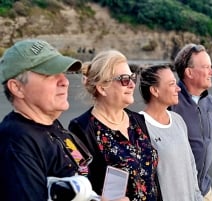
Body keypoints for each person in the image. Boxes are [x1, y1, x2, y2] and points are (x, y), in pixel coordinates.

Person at [0, 39, 128, 201]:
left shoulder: (54, 127)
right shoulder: (16, 143)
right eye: (50, 74)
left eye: (62, 73)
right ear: (17, 87)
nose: (65, 81)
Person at [68, 50, 162, 201]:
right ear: (102, 87)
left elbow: (153, 178)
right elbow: (81, 187)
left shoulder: (138, 121)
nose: (132, 84)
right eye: (124, 79)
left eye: (132, 77)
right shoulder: (82, 129)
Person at [139, 64, 203, 201]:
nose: (178, 88)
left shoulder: (178, 120)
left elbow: (191, 166)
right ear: (155, 91)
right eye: (171, 84)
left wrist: (198, 197)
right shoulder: (139, 127)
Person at [170, 44, 212, 201]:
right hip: (180, 193)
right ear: (189, 72)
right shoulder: (170, 102)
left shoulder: (209, 102)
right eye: (206, 67)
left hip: (205, 188)